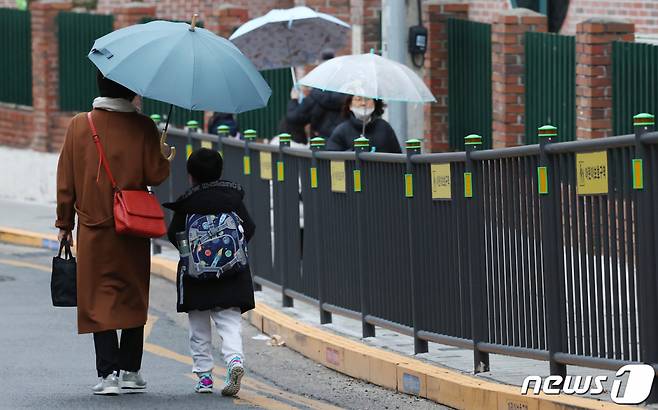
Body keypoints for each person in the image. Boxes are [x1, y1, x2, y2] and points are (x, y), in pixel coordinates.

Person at [56, 71, 170, 395]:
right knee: (133, 293)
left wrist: (64, 224)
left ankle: (108, 376)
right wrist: (162, 151)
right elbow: (157, 175)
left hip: (94, 228)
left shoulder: (80, 125)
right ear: (131, 91)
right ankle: (132, 370)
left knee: (97, 297)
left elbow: (67, 181)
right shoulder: (144, 126)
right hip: (133, 225)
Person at [163, 148, 256, 396]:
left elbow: (174, 234)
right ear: (220, 171)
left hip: (196, 278)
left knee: (199, 329)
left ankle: (204, 377)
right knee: (230, 324)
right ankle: (235, 361)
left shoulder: (187, 202)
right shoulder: (232, 198)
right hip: (231, 274)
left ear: (191, 175)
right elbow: (249, 227)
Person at [286, 50, 347, 142]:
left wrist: (294, 100)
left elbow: (295, 117)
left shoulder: (314, 96)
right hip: (345, 143)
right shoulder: (349, 94)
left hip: (320, 144)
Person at [326, 95, 402, 153]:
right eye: (358, 99)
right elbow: (333, 160)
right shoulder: (341, 131)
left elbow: (397, 156)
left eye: (368, 99)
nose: (363, 103)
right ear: (350, 105)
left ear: (375, 103)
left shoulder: (385, 128)